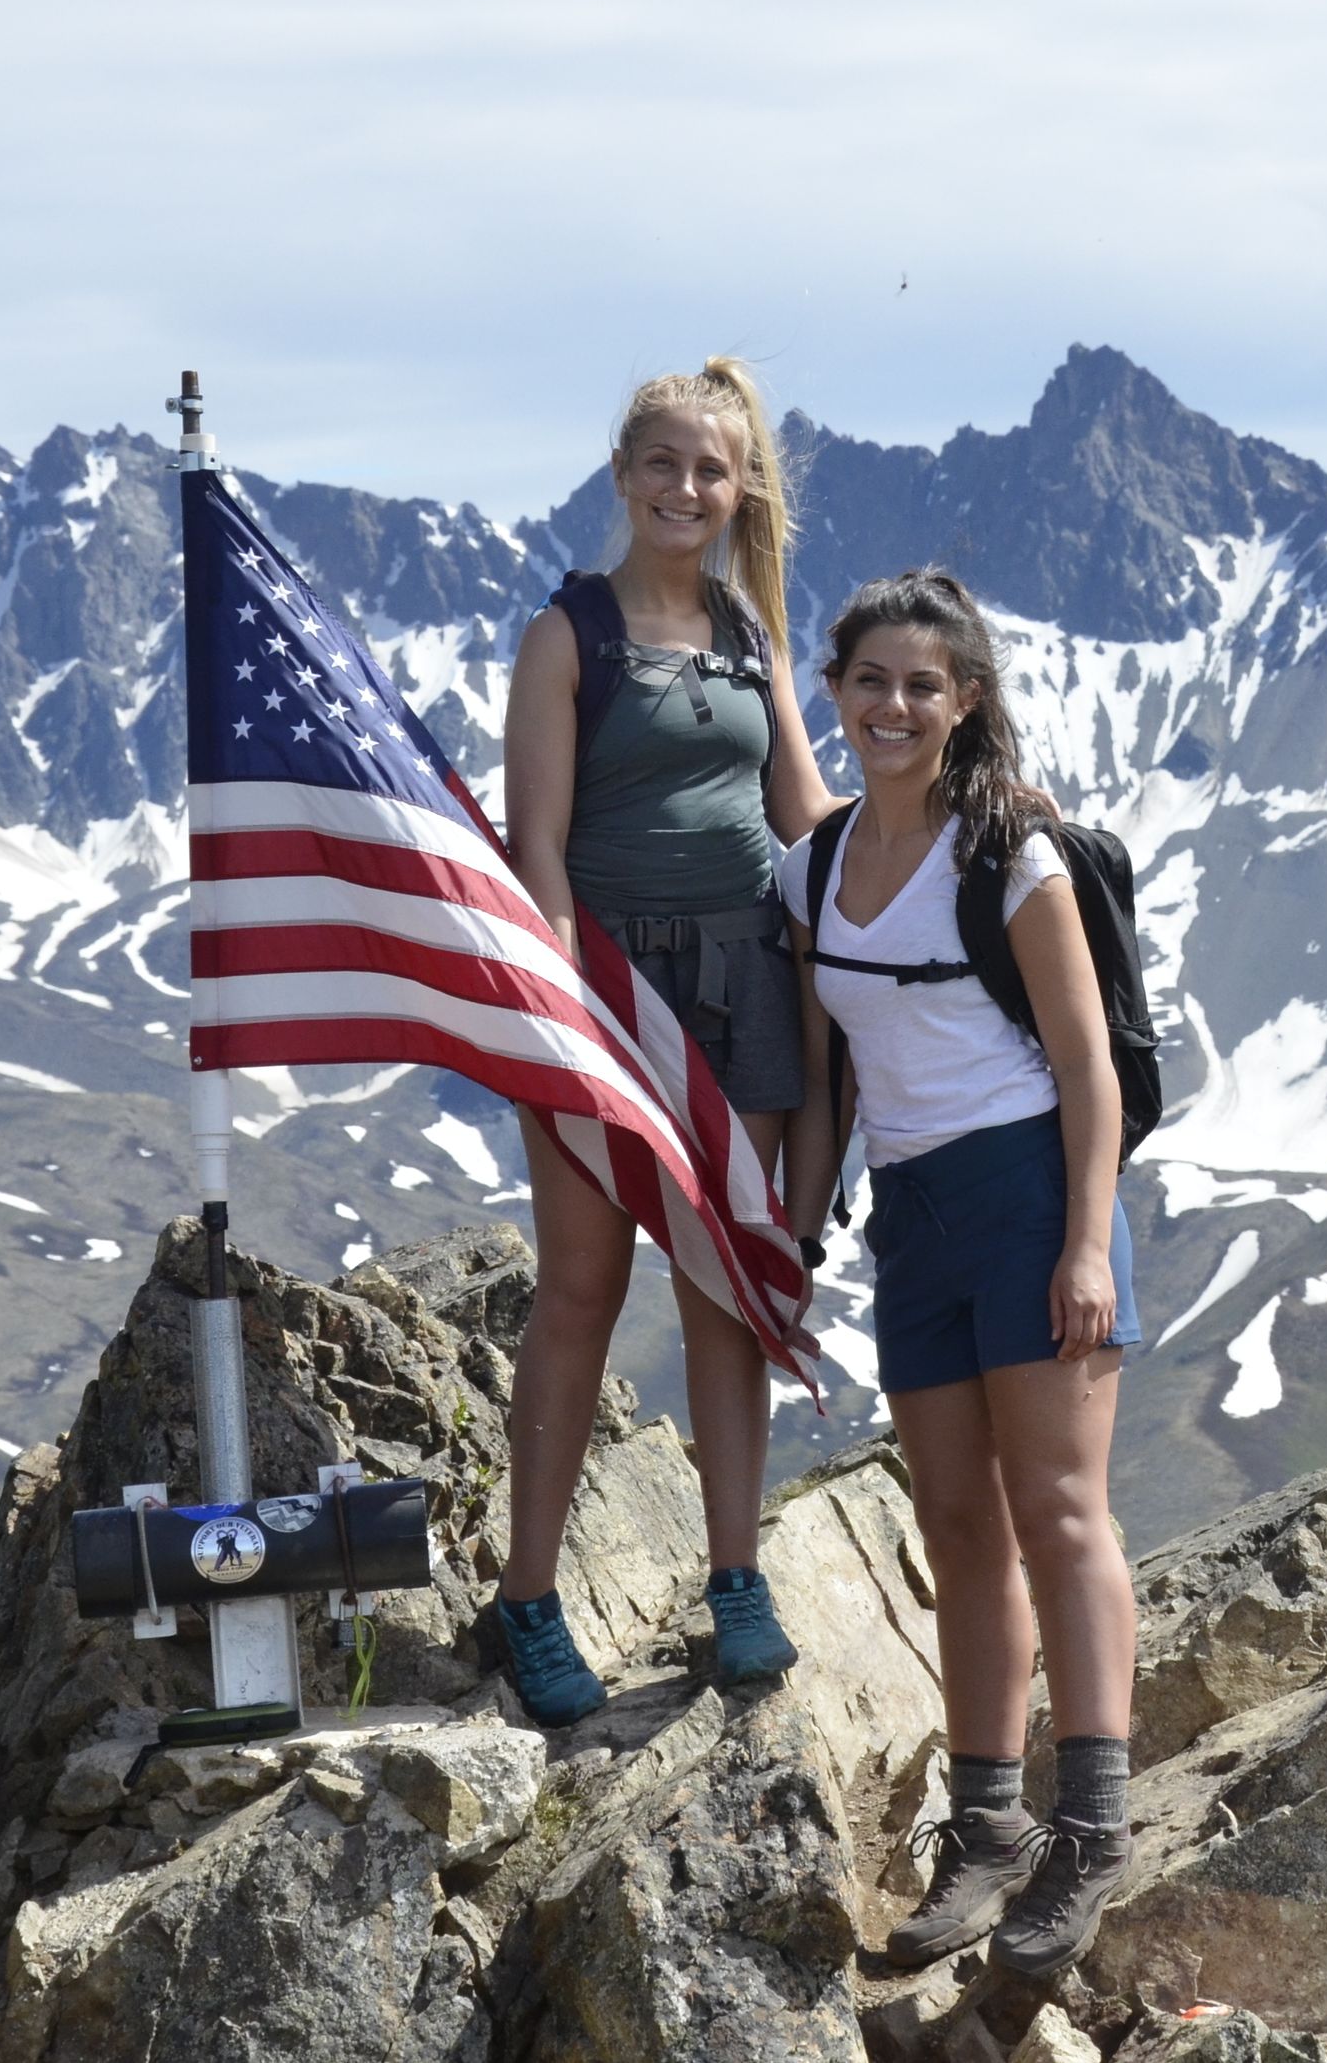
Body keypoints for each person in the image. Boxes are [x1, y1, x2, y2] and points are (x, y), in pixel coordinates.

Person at [779, 569, 1143, 1979]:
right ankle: (986, 1831)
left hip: (1035, 1193)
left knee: (1058, 1509)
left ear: (964, 705)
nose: (894, 706)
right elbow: (829, 1094)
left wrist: (1088, 1243)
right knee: (954, 1522)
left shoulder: (1013, 859)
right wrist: (795, 1242)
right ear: (838, 691)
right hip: (913, 1216)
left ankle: (1091, 1832)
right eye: (871, 681)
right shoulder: (810, 870)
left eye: (924, 686)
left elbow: (1087, 1069)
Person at [489, 357, 843, 1726]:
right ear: (623, 476)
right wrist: (578, 1018)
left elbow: (802, 806)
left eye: (712, 468)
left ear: (739, 484)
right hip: (603, 990)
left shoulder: (752, 633)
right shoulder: (566, 635)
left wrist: (943, 836)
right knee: (581, 1288)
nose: (686, 490)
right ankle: (528, 1596)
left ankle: (735, 1584)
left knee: (723, 1289)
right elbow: (537, 853)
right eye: (662, 466)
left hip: (743, 979)